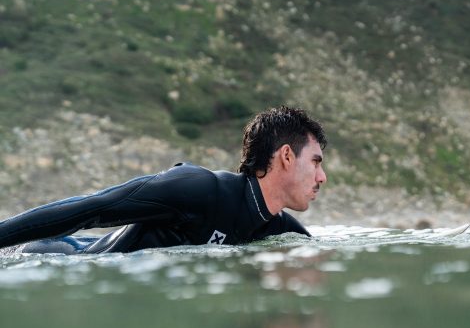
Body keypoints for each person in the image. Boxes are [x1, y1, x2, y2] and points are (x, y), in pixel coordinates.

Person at [0, 106, 327, 255]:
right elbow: (91, 208)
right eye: (315, 162)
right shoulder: (199, 189)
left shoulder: (283, 231)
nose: (322, 177)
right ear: (285, 156)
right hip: (55, 256)